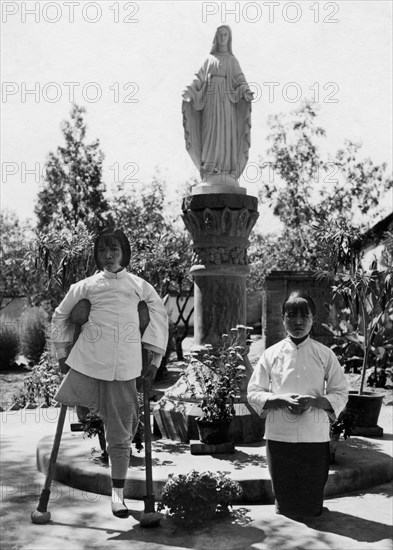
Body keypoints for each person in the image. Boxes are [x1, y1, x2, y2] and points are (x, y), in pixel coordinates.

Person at [52, 227, 168, 518]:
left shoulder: (140, 286)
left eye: (114, 250)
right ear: (97, 254)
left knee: (120, 436)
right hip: (87, 365)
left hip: (124, 370)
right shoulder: (86, 285)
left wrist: (154, 361)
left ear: (124, 253)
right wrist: (62, 355)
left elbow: (159, 317)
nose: (108, 255)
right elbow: (60, 314)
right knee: (69, 407)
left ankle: (118, 497)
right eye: (103, 250)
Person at [247, 291, 348, 518]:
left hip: (315, 432)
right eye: (291, 316)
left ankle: (313, 509)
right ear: (283, 319)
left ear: (313, 319)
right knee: (285, 496)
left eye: (305, 316)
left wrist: (316, 401)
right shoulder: (271, 354)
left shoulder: (325, 354)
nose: (298, 321)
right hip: (279, 433)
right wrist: (278, 400)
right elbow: (254, 392)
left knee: (312, 496)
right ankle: (287, 511)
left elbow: (340, 392)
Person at [182, 25, 253, 184]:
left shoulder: (232, 60)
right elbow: (197, 79)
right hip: (210, 102)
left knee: (225, 133)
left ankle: (226, 169)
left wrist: (245, 90)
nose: (223, 37)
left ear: (229, 38)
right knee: (210, 133)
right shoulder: (208, 60)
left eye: (225, 35)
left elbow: (240, 79)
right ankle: (210, 168)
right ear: (216, 37)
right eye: (220, 34)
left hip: (227, 103)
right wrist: (189, 90)